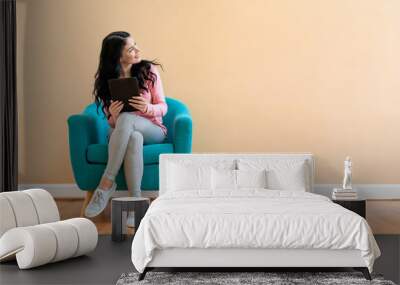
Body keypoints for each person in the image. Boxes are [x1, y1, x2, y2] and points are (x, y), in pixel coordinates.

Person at [85, 31, 167, 219]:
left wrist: (147, 108)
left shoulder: (148, 71)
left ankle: (106, 183)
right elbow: (111, 122)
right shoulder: (107, 80)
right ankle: (136, 201)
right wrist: (113, 115)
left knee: (126, 119)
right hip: (124, 132)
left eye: (135, 45)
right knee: (133, 136)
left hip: (153, 128)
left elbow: (164, 107)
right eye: (131, 49)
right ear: (118, 56)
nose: (137, 50)